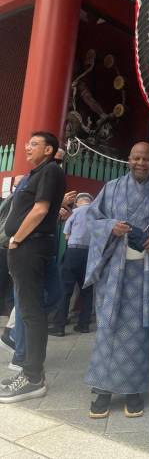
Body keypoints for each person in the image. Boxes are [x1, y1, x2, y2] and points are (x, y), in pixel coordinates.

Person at [84, 142, 149, 419]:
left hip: (143, 271)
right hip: (113, 270)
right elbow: (92, 219)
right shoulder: (111, 188)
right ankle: (102, 389)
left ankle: (134, 390)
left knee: (138, 331)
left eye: (146, 159)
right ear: (129, 159)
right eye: (136, 158)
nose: (141, 163)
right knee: (108, 326)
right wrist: (111, 227)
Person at [0, 132, 65, 403]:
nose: (27, 147)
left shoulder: (50, 170)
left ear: (48, 150)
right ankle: (29, 370)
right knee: (29, 311)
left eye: (34, 144)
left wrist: (16, 239)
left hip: (30, 247)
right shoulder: (36, 173)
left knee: (31, 312)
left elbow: (40, 210)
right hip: (26, 247)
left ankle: (33, 377)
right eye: (28, 143)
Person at [49, 193, 94, 337]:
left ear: (77, 203)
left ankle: (59, 326)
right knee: (87, 291)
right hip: (90, 254)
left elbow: (66, 235)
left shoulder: (75, 212)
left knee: (65, 290)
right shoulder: (98, 214)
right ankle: (83, 325)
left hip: (74, 252)